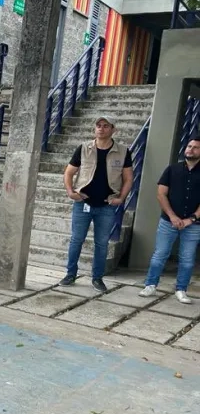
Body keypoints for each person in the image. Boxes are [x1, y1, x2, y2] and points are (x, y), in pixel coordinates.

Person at [59, 117, 132, 292]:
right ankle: (70, 274)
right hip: (83, 203)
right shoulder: (84, 148)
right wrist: (71, 192)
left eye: (105, 126)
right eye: (98, 126)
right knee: (76, 240)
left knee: (102, 243)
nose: (101, 129)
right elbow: (69, 173)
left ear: (113, 129)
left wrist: (121, 198)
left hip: (106, 205)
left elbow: (128, 178)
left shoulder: (122, 151)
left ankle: (97, 278)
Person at [138, 135, 200, 304]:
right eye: (189, 146)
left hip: (193, 224)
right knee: (160, 254)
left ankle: (181, 289)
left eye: (195, 147)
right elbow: (161, 194)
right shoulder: (172, 169)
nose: (190, 149)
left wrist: (191, 219)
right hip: (168, 221)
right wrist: (173, 216)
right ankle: (150, 284)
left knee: (187, 258)